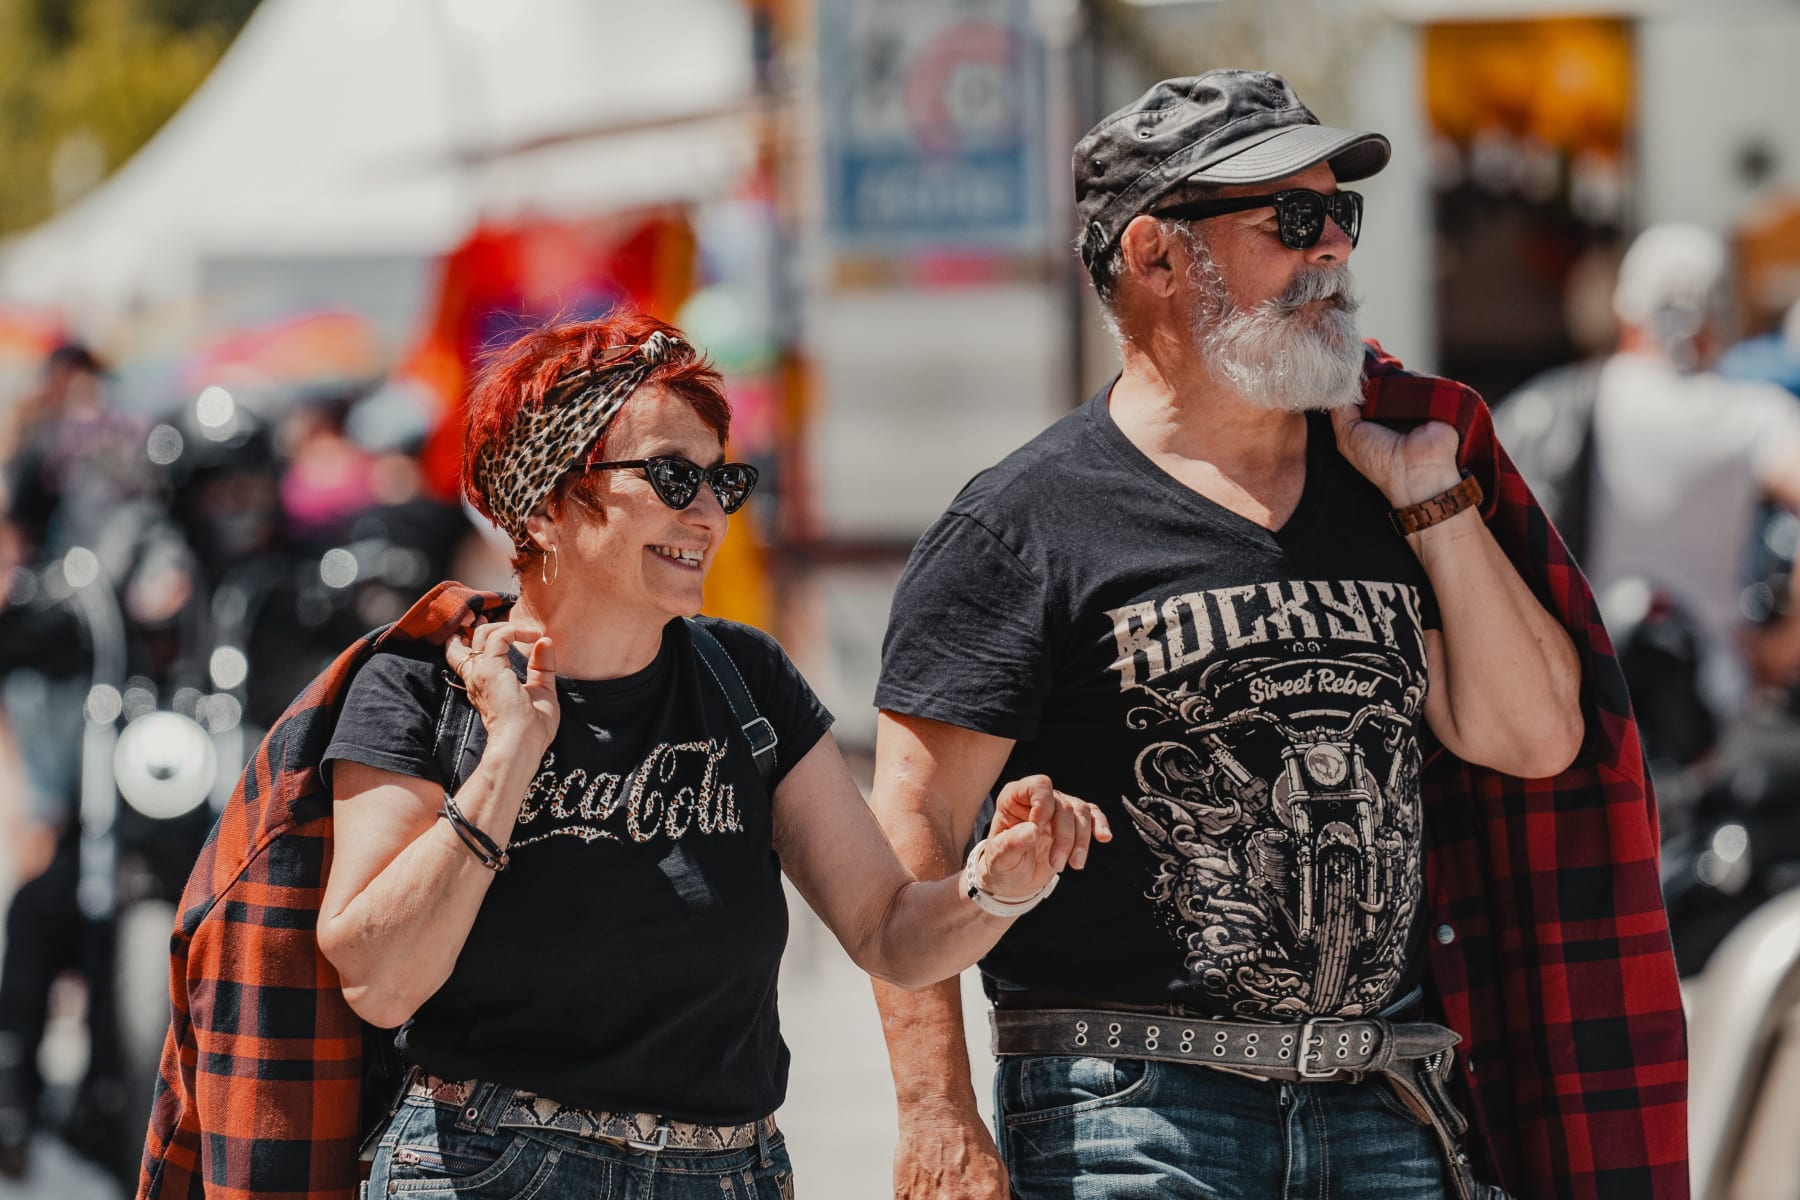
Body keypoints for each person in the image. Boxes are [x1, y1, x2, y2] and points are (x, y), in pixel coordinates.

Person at [869, 70, 1686, 1200]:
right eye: (1291, 221)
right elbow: (909, 833)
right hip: (1133, 1112)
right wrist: (937, 1117)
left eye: (1341, 215)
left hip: (1384, 1102)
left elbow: (1537, 738)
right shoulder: (1019, 528)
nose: (1334, 251)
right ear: (1155, 255)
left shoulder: (1389, 481)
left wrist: (1431, 503)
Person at [138, 311, 1108, 1200]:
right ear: (547, 502)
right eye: (672, 478)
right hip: (490, 1171)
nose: (707, 516)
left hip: (727, 1174)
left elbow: (891, 932)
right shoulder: (424, 689)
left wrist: (994, 887)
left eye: (722, 481)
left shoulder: (745, 679)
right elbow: (380, 977)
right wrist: (509, 754)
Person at [1497, 223, 1800, 715]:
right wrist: (1785, 644)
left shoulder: (1559, 403)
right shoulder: (1751, 415)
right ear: (1716, 316)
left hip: (1589, 700)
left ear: (1625, 308)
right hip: (1717, 701)